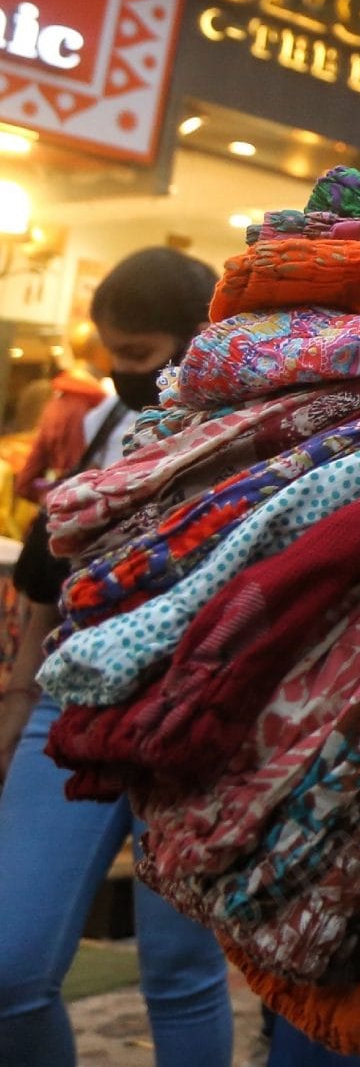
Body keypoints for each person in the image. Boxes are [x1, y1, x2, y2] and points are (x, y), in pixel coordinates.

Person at [0, 247, 232, 1067]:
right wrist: (19, 700)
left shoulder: (251, 426)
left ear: (193, 338)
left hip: (193, 714)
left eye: (138, 355)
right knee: (9, 967)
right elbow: (43, 572)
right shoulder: (103, 424)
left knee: (180, 968)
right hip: (72, 699)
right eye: (113, 355)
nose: (122, 372)